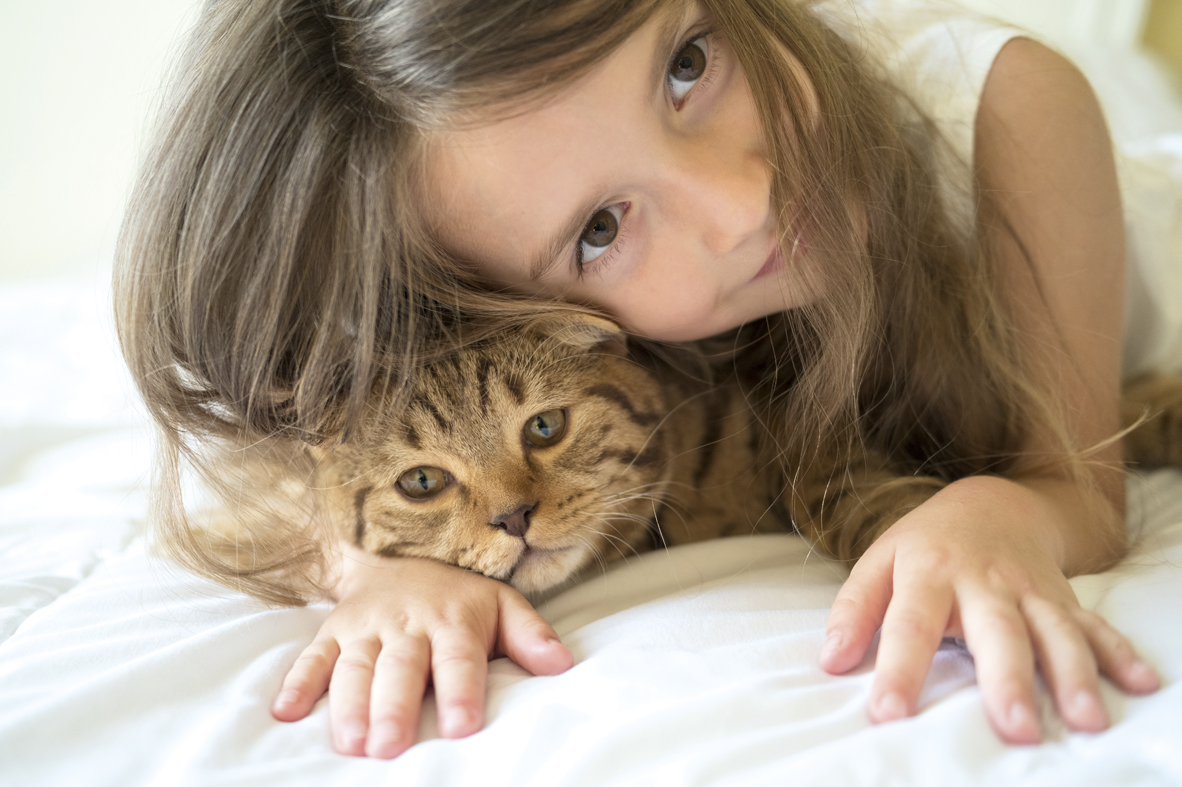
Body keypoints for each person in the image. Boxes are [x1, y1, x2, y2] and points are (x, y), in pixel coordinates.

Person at [114, 0, 1162, 760]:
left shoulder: (1013, 107)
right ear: (493, 313)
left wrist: (994, 510)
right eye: (601, 229)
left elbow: (1075, 485)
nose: (741, 202)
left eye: (687, 62)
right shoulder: (561, 331)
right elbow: (304, 452)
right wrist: (382, 568)